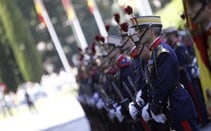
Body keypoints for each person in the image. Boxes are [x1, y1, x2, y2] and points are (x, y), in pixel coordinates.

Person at [130, 15, 199, 131]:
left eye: (141, 30)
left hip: (177, 104)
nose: (137, 33)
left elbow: (162, 85)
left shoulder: (162, 52)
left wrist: (154, 108)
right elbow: (153, 84)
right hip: (170, 105)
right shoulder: (155, 52)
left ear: (151, 31)